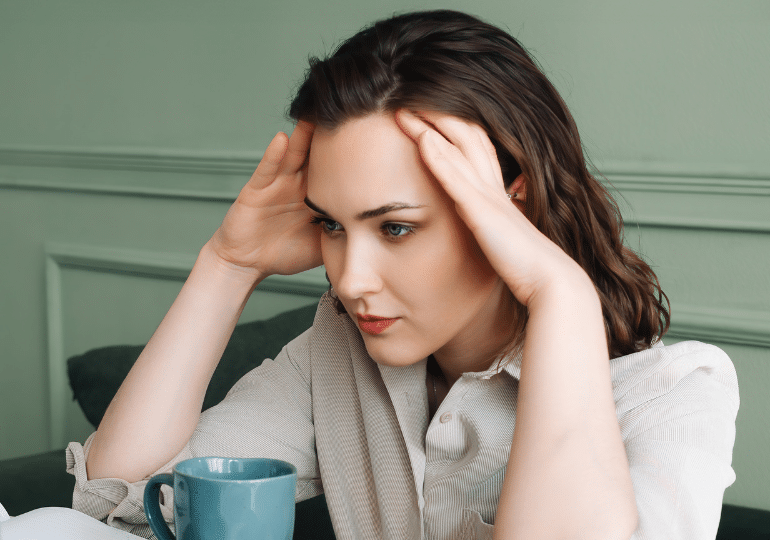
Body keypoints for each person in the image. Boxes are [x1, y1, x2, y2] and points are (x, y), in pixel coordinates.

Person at [66, 10, 738, 540]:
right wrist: (226, 265)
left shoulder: (673, 396)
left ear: (510, 201)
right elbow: (116, 505)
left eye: (395, 227)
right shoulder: (336, 355)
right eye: (331, 225)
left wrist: (560, 294)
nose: (351, 280)